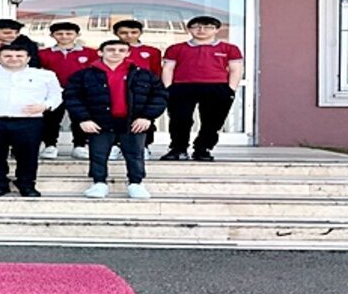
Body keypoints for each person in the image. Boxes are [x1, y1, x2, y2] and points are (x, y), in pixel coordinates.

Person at [63, 40, 168, 199]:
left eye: (121, 50)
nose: (116, 53)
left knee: (135, 154)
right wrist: (84, 119)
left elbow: (159, 95)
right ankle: (99, 183)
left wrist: (147, 117)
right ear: (100, 52)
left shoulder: (143, 75)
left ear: (128, 53)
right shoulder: (84, 75)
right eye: (111, 49)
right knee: (98, 154)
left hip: (133, 122)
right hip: (99, 121)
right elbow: (72, 97)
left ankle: (136, 184)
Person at [0, 45, 62, 197]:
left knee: (28, 155)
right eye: (8, 56)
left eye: (19, 56)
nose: (14, 59)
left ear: (28, 58)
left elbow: (56, 95)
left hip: (29, 121)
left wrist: (45, 106)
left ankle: (27, 184)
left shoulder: (45, 75)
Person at [161, 16, 244, 162]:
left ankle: (203, 149)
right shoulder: (176, 48)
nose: (201, 30)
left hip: (217, 87)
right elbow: (168, 69)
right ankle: (178, 149)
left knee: (212, 121)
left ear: (217, 30)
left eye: (208, 27)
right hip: (182, 86)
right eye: (197, 27)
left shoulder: (230, 49)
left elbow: (235, 70)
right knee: (180, 119)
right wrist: (169, 88)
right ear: (189, 29)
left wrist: (230, 89)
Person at [37, 22, 98, 160]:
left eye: (69, 33)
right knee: (51, 119)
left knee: (80, 118)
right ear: (52, 35)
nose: (64, 36)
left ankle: (80, 146)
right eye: (59, 34)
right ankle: (50, 146)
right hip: (53, 91)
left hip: (80, 91)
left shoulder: (90, 53)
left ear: (77, 35)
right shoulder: (43, 54)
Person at [113, 19, 163, 159]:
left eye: (133, 32)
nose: (129, 35)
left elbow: (156, 71)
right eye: (124, 32)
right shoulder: (111, 49)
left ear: (140, 33)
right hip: (117, 88)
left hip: (143, 90)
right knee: (116, 117)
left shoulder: (152, 51)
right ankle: (116, 145)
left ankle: (143, 146)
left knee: (143, 117)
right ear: (116, 33)